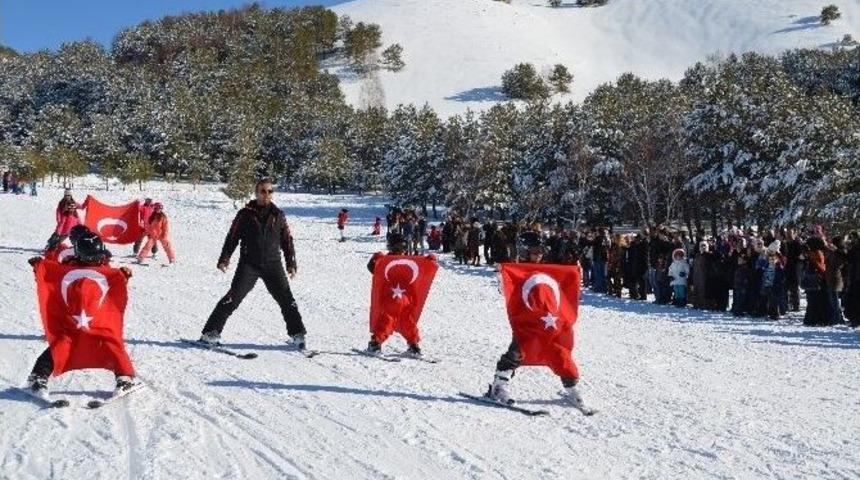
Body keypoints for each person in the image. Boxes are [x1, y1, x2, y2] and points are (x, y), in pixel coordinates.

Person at [26, 229, 139, 399]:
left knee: (110, 342)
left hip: (96, 318)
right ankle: (37, 377)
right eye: (90, 257)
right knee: (62, 343)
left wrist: (123, 276)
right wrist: (39, 268)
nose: (94, 260)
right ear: (79, 254)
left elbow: (112, 286)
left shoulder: (105, 269)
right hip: (72, 316)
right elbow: (51, 281)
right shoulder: (67, 267)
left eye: (96, 256)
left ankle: (125, 377)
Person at [198, 179, 307, 349]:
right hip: (249, 264)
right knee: (232, 298)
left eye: (270, 191)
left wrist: (291, 263)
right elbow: (232, 237)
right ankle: (210, 333)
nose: (266, 195)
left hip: (273, 265)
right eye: (263, 191)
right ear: (256, 193)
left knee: (286, 299)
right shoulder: (245, 214)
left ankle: (298, 335)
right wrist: (224, 258)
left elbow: (287, 241)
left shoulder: (278, 215)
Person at [486, 239, 589, 410]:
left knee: (560, 352)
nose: (538, 256)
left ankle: (571, 387)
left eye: (540, 253)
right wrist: (502, 274)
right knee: (517, 351)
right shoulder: (519, 270)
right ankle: (499, 385)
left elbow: (564, 287)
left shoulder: (550, 269)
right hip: (526, 321)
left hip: (549, 322)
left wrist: (576, 274)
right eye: (534, 253)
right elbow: (507, 290)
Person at [365, 233, 436, 356]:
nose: (400, 247)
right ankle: (409, 345)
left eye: (400, 245)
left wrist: (429, 261)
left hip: (399, 297)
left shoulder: (402, 259)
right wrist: (375, 260)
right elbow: (374, 270)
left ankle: (408, 344)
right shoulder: (393, 260)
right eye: (398, 245)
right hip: (398, 298)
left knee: (397, 320)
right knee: (397, 320)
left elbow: (421, 270)